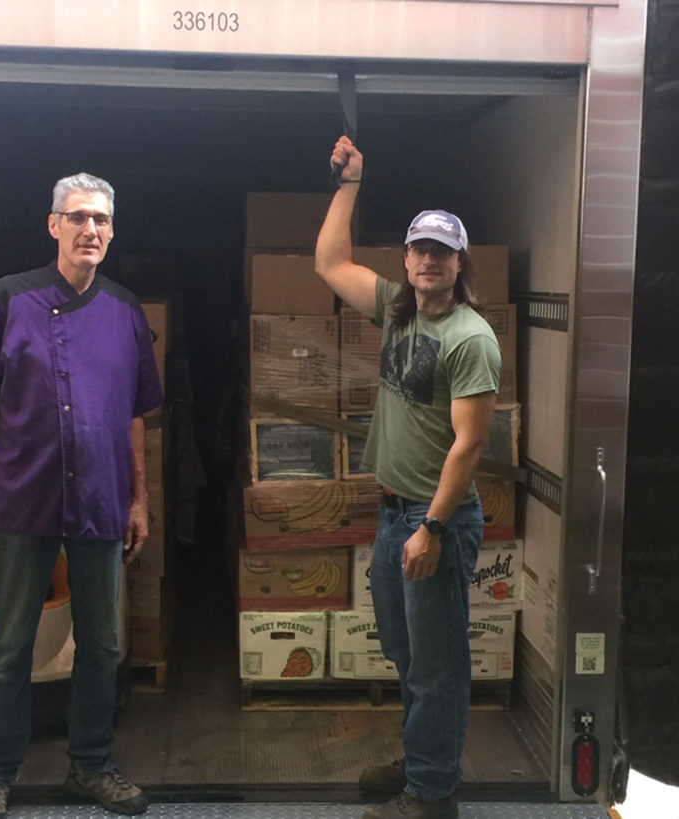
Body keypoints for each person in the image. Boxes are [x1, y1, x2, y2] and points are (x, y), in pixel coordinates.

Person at [0, 172, 162, 819]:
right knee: (9, 642)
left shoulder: (125, 311)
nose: (90, 229)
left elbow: (136, 415)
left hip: (99, 501)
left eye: (101, 220)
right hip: (22, 500)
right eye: (78, 217)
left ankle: (91, 765)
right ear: (53, 225)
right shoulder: (11, 298)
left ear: (112, 232)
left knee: (102, 643)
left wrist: (139, 500)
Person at [315, 136, 501, 819]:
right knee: (403, 649)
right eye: (419, 249)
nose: (428, 260)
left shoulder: (470, 337)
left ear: (459, 263)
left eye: (441, 252)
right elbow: (329, 261)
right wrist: (351, 183)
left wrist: (431, 526)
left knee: (438, 664)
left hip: (434, 519)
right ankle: (424, 756)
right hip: (394, 513)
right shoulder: (395, 308)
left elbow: (470, 445)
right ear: (407, 258)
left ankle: (430, 793)